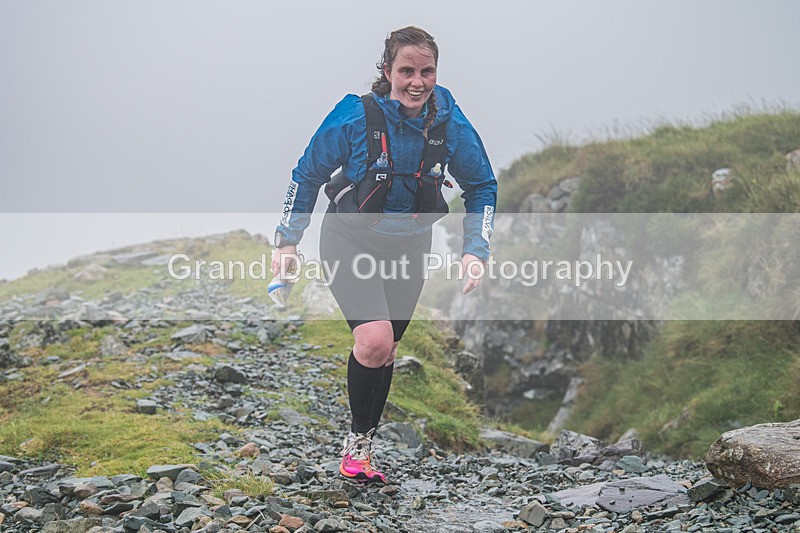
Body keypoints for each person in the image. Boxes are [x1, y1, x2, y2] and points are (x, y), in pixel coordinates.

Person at [271, 26, 496, 483]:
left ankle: (362, 451)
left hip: (410, 246)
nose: (417, 81)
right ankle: (355, 446)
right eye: (407, 70)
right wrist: (287, 240)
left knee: (388, 349)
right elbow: (307, 174)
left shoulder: (449, 122)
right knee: (373, 342)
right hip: (349, 240)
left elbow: (482, 186)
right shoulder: (354, 116)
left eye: (427, 71)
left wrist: (476, 249)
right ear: (387, 71)